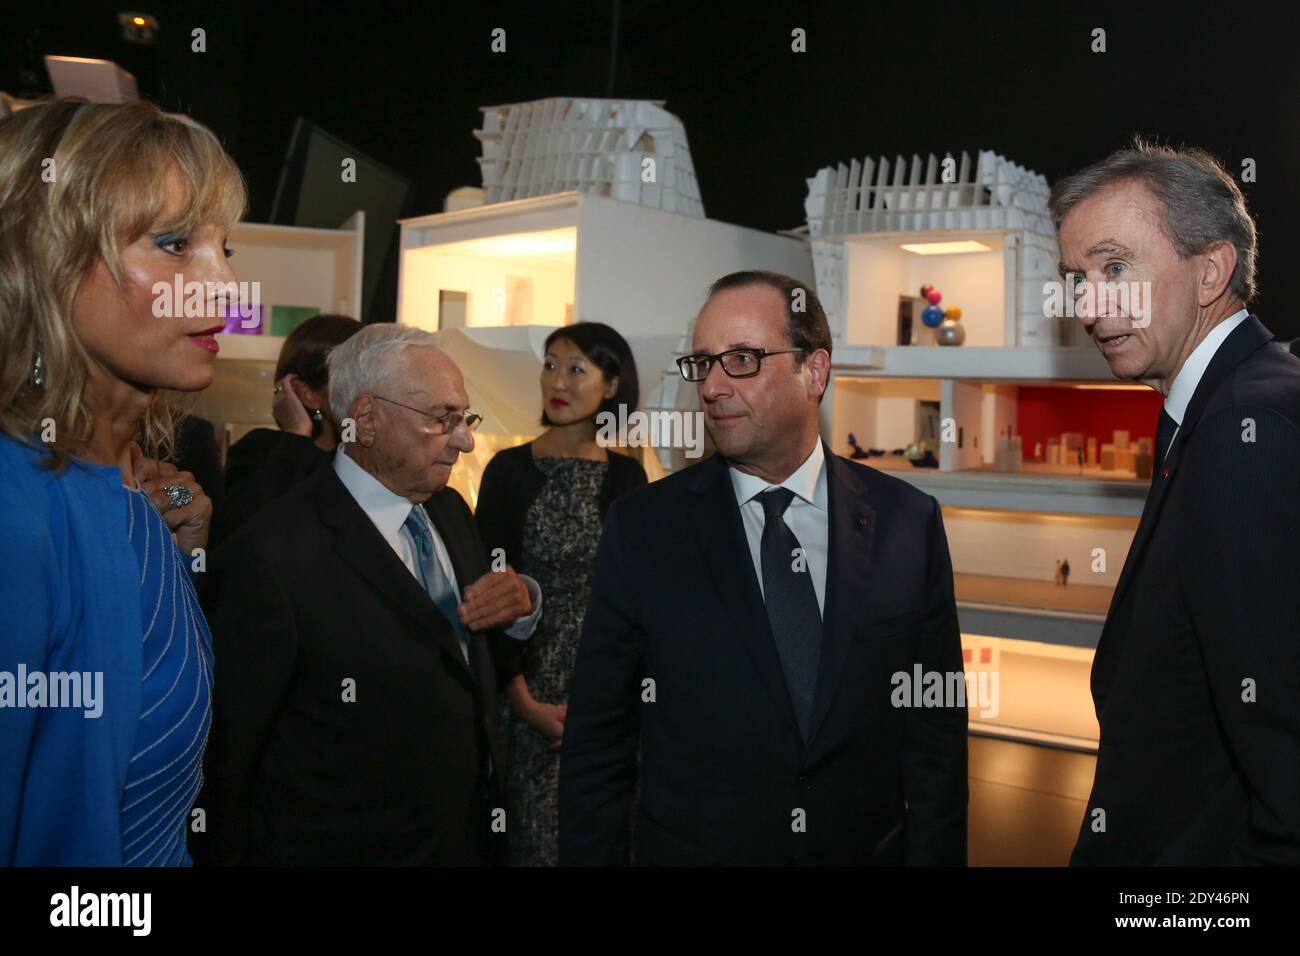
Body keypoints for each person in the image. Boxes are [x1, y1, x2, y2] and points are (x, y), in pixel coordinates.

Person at [559, 271, 968, 866]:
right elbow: (599, 745)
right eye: (703, 363)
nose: (714, 386)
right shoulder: (643, 530)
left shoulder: (909, 521)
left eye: (743, 359)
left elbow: (937, 741)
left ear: (816, 372)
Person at [0, 97, 246, 864]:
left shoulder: (129, 489)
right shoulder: (18, 514)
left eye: (224, 248)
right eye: (174, 244)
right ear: (43, 257)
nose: (224, 290)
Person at [199, 324, 545, 865]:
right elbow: (230, 760)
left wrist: (520, 606)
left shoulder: (451, 512)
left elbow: (464, 661)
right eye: (441, 418)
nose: (465, 440)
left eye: (464, 418)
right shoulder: (271, 556)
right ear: (365, 417)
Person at [1053, 141, 1300, 865]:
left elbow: (1280, 736)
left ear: (1211, 271)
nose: (1090, 306)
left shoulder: (1241, 428)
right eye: (1078, 279)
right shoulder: (1243, 400)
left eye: (1115, 268)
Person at [475, 322, 647, 866]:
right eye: (551, 364)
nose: (559, 380)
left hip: (606, 701)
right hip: (525, 696)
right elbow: (489, 592)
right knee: (533, 848)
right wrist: (523, 701)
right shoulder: (508, 470)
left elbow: (636, 601)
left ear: (612, 385)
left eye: (578, 369)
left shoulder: (628, 477)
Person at [209, 313, 360, 547]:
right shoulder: (261, 450)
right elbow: (241, 538)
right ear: (307, 394)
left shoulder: (368, 457)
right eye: (353, 379)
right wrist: (296, 435)